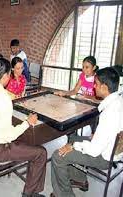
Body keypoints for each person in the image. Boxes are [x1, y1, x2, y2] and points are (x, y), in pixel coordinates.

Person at [0, 57, 47, 197]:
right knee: (41, 153)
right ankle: (29, 193)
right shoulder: (4, 97)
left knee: (26, 143)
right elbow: (10, 136)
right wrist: (28, 122)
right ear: (7, 76)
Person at [50, 67, 123, 197]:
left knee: (57, 155)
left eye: (97, 84)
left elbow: (94, 150)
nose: (94, 86)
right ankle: (80, 179)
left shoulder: (109, 112)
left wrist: (73, 146)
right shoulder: (119, 101)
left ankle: (64, 194)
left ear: (105, 87)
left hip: (104, 157)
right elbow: (112, 131)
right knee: (74, 139)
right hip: (114, 151)